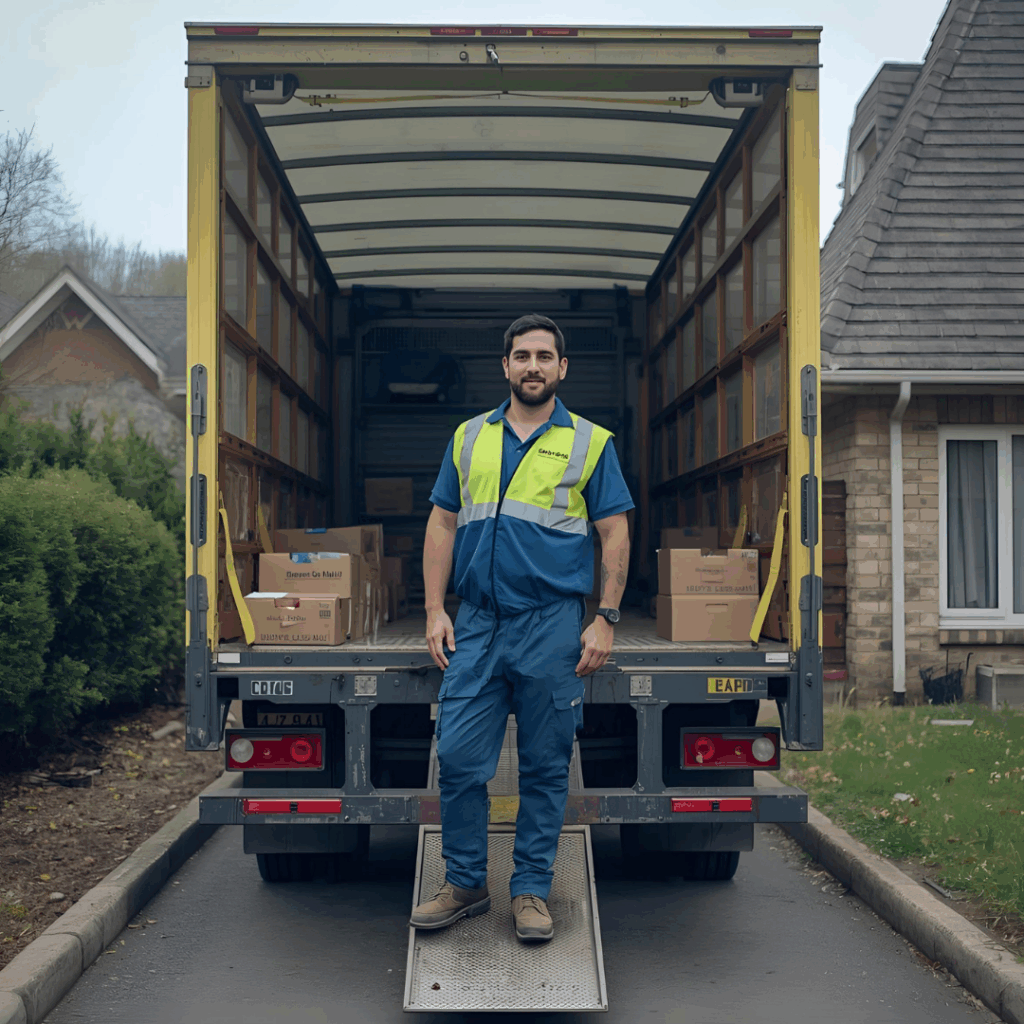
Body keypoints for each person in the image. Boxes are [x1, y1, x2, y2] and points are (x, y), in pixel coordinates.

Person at [410, 313, 633, 944]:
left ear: (562, 368)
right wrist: (435, 608)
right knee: (456, 759)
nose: (532, 366)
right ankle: (465, 882)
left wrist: (606, 619)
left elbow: (613, 529)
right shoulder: (470, 436)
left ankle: (531, 889)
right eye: (520, 355)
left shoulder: (591, 442)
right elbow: (442, 523)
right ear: (504, 367)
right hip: (477, 622)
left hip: (550, 622)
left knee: (543, 764)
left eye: (544, 356)